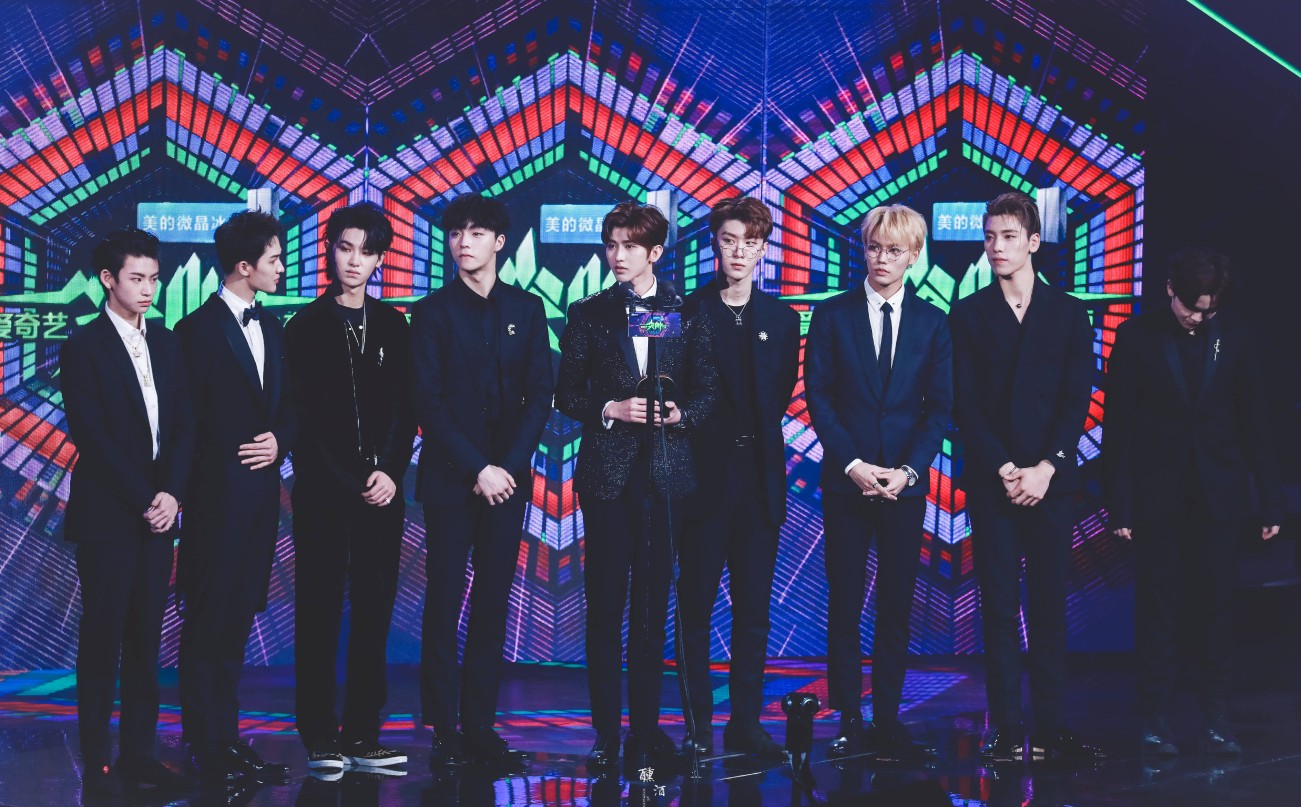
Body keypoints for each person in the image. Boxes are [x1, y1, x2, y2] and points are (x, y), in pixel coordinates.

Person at [555, 201, 718, 771]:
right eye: (611, 245)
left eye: (629, 246)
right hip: (607, 479)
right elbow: (566, 393)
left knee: (652, 613)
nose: (617, 256)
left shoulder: (686, 311)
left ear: (655, 252)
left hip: (666, 480)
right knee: (604, 609)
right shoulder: (589, 313)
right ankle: (606, 733)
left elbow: (708, 390)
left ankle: (646, 733)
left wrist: (681, 415)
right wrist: (611, 408)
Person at [1105, 247, 1281, 757]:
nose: (1199, 318)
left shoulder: (1237, 335)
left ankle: (1216, 721)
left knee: (1217, 612)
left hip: (1219, 498)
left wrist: (1269, 501)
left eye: (1209, 310)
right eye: (1191, 308)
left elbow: (1256, 421)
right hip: (1157, 498)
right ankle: (1153, 721)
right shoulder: (1136, 336)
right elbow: (1119, 428)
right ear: (1170, 290)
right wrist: (1120, 505)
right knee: (1157, 611)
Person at [949, 191, 1102, 763]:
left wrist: (1047, 467)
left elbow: (1076, 398)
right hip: (994, 480)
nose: (996, 247)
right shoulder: (967, 314)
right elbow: (965, 403)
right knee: (996, 607)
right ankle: (1007, 727)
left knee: (1048, 607)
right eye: (989, 237)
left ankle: (1053, 727)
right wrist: (1005, 467)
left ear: (1034, 242)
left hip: (1051, 482)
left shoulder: (1068, 313)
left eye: (1009, 237)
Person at [805, 204, 952, 761]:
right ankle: (848, 717)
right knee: (844, 604)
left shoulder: (933, 322)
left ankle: (887, 719)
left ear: (913, 256)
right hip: (847, 482)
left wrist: (908, 470)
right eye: (873, 248)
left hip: (904, 486)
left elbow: (938, 408)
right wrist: (853, 464)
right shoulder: (831, 314)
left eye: (894, 250)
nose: (881, 259)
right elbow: (818, 396)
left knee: (895, 606)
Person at [411, 193, 554, 767]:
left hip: (508, 483)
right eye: (455, 233)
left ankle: (480, 726)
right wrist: (479, 467)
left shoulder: (527, 307)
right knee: (444, 601)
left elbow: (539, 396)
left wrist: (506, 468)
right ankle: (444, 729)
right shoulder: (430, 312)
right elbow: (429, 401)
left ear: (499, 242)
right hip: (452, 480)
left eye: (475, 233)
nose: (462, 242)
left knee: (493, 603)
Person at [60, 228, 195, 796]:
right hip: (109, 516)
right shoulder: (83, 346)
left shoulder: (167, 341)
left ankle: (140, 756)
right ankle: (97, 760)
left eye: (154, 278)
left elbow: (185, 425)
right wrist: (146, 498)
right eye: (136, 278)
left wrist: (173, 495)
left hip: (160, 514)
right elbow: (92, 436)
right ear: (107, 280)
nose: (148, 289)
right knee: (103, 638)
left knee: (145, 639)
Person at [286, 202, 415, 771]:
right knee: (317, 611)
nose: (354, 261)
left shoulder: (393, 325)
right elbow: (303, 420)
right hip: (323, 495)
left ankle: (363, 733)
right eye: (345, 248)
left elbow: (406, 409)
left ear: (380, 259)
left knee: (374, 611)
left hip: (383, 495)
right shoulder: (304, 327)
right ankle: (319, 734)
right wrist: (350, 480)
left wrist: (390, 472)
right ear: (329, 251)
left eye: (367, 251)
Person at [175, 210, 297, 785]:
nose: (282, 268)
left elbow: (291, 405)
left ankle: (227, 740)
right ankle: (204, 744)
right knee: (206, 625)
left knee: (236, 626)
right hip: (212, 502)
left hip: (260, 502)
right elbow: (184, 423)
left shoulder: (273, 326)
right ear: (244, 267)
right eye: (275, 259)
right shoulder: (194, 331)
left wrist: (281, 440)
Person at [677, 196, 799, 760]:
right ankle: (697, 725)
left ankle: (745, 723)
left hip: (759, 482)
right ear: (714, 244)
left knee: (754, 612)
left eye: (750, 243)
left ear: (764, 249)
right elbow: (660, 378)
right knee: (695, 608)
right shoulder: (682, 310)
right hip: (700, 480)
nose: (739, 252)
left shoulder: (783, 319)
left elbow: (776, 399)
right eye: (729, 240)